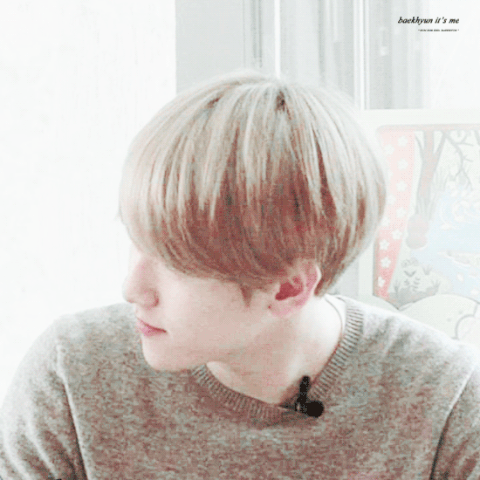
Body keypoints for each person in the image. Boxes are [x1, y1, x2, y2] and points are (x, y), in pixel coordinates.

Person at [1, 71, 479, 479]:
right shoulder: (74, 374)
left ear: (288, 288)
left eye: (176, 262)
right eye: (136, 238)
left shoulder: (445, 400)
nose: (133, 289)